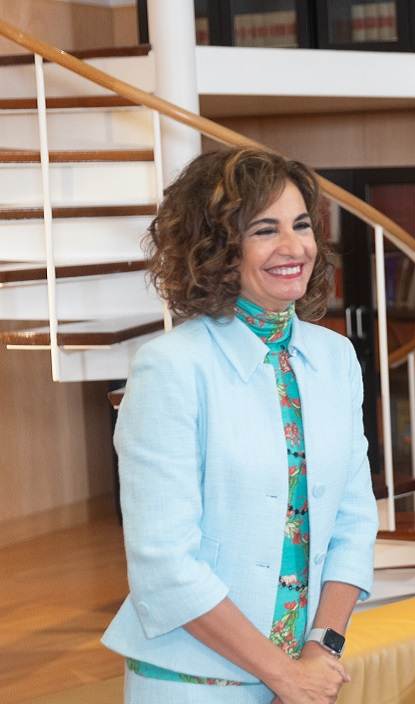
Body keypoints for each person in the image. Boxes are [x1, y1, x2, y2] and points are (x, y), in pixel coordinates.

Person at [101, 147, 378, 704]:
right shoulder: (171, 368)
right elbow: (164, 563)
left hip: (306, 675)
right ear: (218, 248)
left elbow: (353, 517)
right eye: (264, 230)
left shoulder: (335, 357)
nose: (293, 247)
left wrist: (321, 649)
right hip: (194, 684)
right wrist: (282, 671)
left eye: (302, 225)